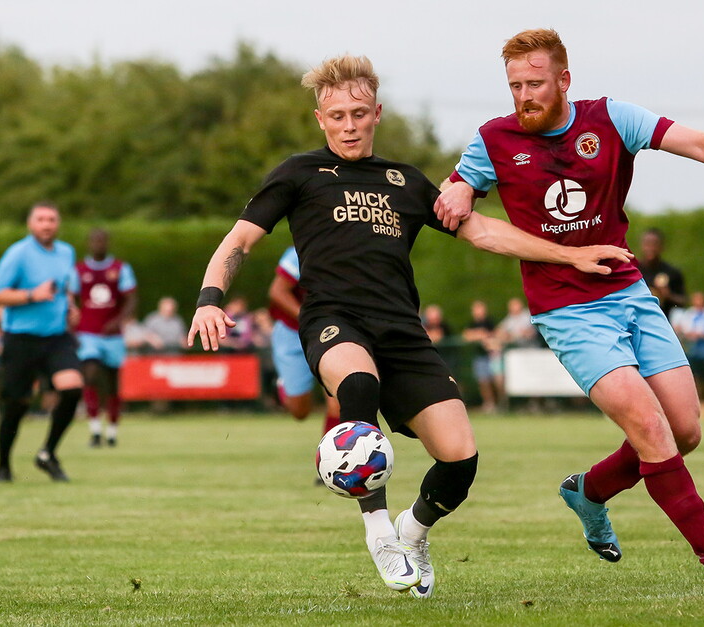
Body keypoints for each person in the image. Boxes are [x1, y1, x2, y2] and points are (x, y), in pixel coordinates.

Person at [187, 54, 628, 598]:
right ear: (320, 120)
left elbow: (485, 232)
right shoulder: (299, 173)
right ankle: (376, 529)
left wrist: (571, 254)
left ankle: (412, 532)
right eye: (336, 116)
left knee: (460, 459)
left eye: (358, 113)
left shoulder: (406, 181)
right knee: (358, 385)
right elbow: (239, 242)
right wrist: (209, 300)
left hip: (402, 331)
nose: (348, 125)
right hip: (333, 320)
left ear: (377, 113)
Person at [435, 29, 704, 594]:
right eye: (515, 86)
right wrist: (459, 188)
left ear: (564, 80)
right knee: (649, 427)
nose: (524, 96)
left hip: (629, 294)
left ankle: (588, 491)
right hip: (566, 310)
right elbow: (458, 208)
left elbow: (700, 144)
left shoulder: (612, 118)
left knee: (685, 431)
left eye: (535, 83)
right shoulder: (492, 141)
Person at [0, 202, 84, 482]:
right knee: (17, 403)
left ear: (58, 223)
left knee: (73, 388)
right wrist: (31, 296)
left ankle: (47, 454)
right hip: (21, 338)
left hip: (56, 337)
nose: (46, 224)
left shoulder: (66, 252)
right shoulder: (18, 254)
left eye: (51, 219)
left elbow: (66, 289)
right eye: (40, 219)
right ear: (31, 224)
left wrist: (71, 307)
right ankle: (3, 465)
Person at [70, 228, 137, 448]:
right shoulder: (78, 270)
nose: (98, 244)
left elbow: (131, 299)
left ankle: (112, 432)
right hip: (88, 333)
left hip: (113, 336)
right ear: (89, 243)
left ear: (107, 243)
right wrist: (71, 324)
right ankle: (95, 430)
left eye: (102, 241)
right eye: (95, 241)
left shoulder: (120, 268)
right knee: (90, 374)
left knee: (112, 384)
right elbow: (70, 299)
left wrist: (118, 321)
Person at [268, 246, 340, 436]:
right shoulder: (300, 251)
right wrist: (309, 320)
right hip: (292, 334)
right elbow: (277, 291)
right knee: (300, 412)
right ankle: (284, 385)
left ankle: (337, 456)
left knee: (338, 400)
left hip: (331, 332)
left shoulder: (353, 250)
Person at [461, 300, 502, 412]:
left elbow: (495, 335)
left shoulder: (490, 321)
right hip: (479, 357)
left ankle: (500, 403)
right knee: (483, 381)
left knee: (496, 380)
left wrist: (482, 335)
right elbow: (466, 335)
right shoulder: (472, 323)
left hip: (492, 356)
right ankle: (489, 404)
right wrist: (478, 335)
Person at [638, 228, 687, 318]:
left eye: (655, 244)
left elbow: (683, 301)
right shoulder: (633, 271)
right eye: (647, 244)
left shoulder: (672, 272)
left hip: (662, 324)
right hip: (636, 324)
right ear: (642, 245)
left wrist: (668, 295)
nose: (651, 248)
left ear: (662, 247)